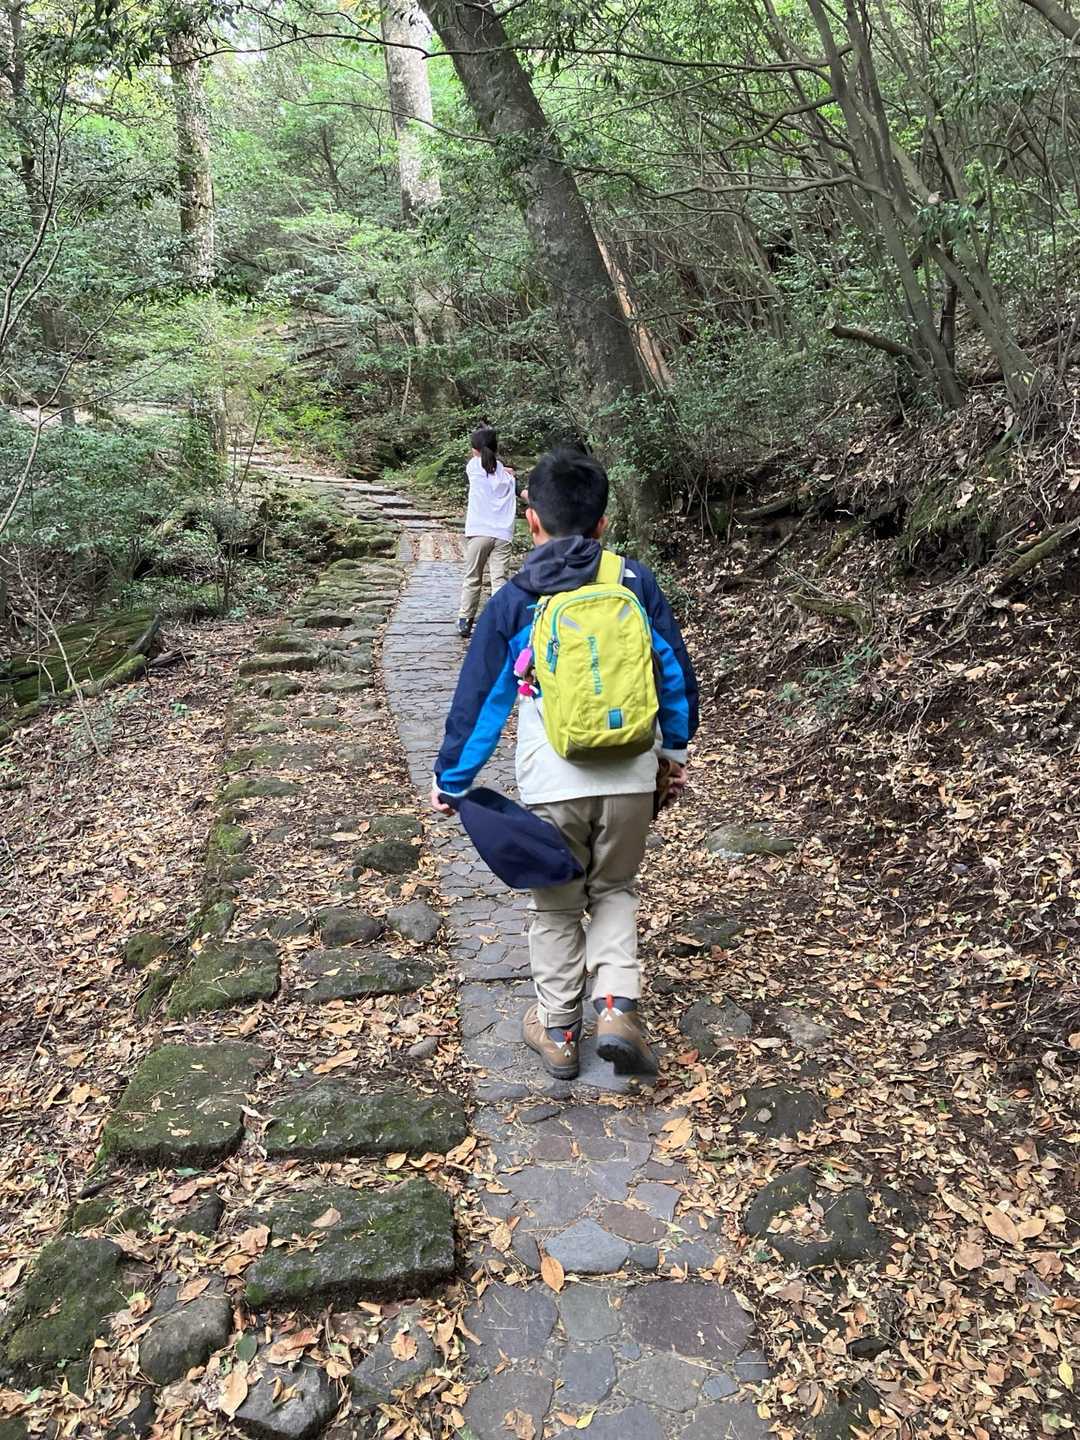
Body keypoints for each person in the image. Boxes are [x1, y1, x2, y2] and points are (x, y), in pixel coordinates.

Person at [431, 448, 698, 1080]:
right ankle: (617, 1009)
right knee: (614, 890)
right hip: (632, 773)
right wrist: (673, 754)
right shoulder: (633, 582)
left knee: (555, 907)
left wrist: (452, 779)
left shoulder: (517, 598)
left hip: (552, 780)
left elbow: (483, 699)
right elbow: (674, 673)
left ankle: (558, 1032)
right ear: (603, 524)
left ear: (531, 520)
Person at [457, 424, 516, 639]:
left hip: (479, 531)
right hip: (503, 534)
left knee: (473, 577)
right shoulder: (507, 476)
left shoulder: (473, 467)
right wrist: (507, 470)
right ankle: (501, 622)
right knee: (499, 579)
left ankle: (465, 620)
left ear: (475, 450)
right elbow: (498, 470)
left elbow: (486, 466)